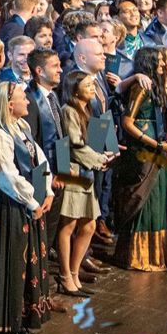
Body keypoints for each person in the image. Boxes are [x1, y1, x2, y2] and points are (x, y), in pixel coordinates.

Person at [0, 83, 48, 334]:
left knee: (29, 264)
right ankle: (6, 324)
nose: (27, 102)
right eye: (22, 98)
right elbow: (7, 176)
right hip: (10, 207)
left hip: (28, 204)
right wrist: (32, 201)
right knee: (12, 265)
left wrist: (46, 191)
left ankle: (24, 318)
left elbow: (40, 160)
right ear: (8, 105)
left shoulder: (22, 128)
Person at [112, 46, 167, 271]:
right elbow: (127, 122)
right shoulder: (140, 87)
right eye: (159, 62)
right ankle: (137, 256)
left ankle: (156, 255)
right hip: (143, 151)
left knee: (158, 197)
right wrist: (155, 144)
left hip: (157, 148)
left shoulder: (155, 86)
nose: (163, 66)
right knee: (143, 200)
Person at [53, 71, 113, 295]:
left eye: (93, 83)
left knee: (89, 225)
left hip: (87, 174)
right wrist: (99, 160)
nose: (92, 87)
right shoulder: (69, 111)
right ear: (75, 88)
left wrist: (105, 154)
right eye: (87, 84)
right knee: (69, 226)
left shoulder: (86, 109)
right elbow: (75, 146)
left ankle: (75, 272)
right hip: (75, 174)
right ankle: (65, 275)